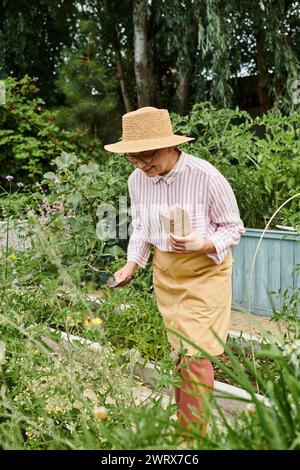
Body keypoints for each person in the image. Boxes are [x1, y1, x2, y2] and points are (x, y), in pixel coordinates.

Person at [104, 106, 245, 437]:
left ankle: (192, 440)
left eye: (147, 156)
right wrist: (132, 264)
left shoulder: (206, 176)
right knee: (182, 354)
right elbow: (140, 227)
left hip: (204, 273)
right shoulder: (137, 180)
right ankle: (186, 426)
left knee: (197, 356)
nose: (140, 164)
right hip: (166, 273)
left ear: (170, 145)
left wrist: (203, 244)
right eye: (132, 158)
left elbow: (233, 228)